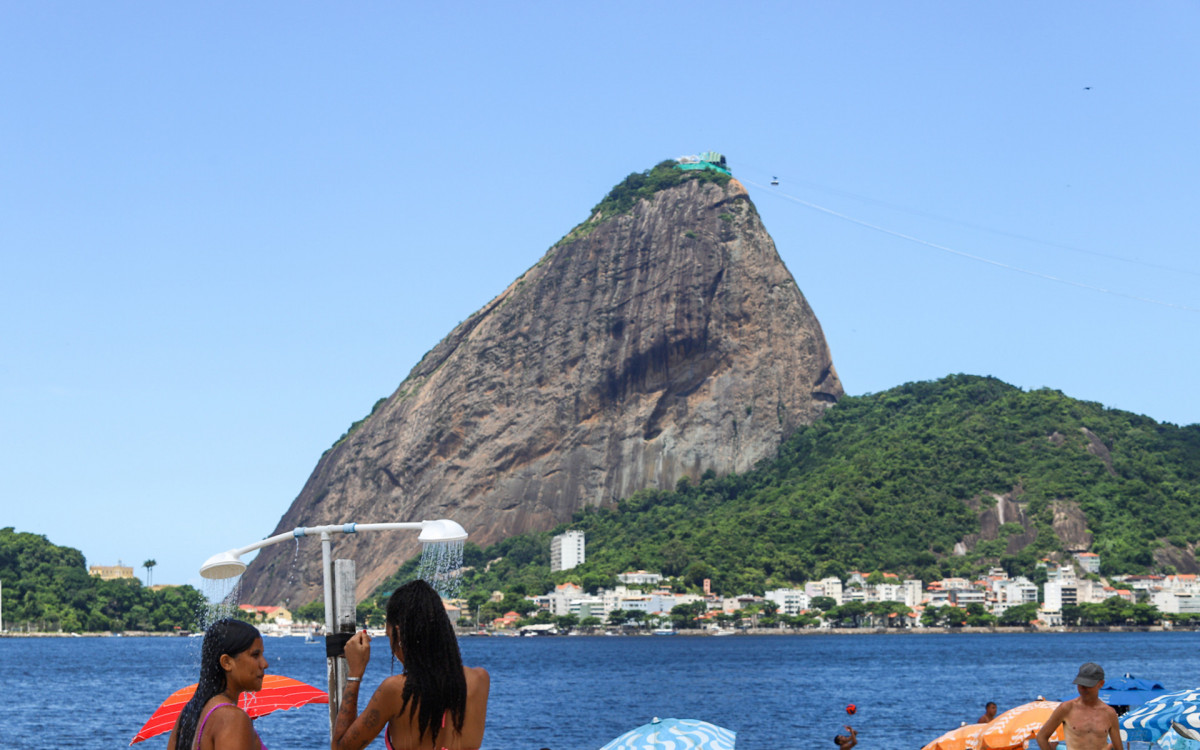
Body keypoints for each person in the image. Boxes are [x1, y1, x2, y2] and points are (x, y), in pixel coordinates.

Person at [333, 579, 490, 750]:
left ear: (399, 634)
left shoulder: (395, 689)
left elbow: (340, 748)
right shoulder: (480, 680)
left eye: (389, 636)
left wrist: (355, 674)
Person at [167, 618, 269, 750]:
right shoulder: (232, 718)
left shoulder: (189, 713)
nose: (264, 664)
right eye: (255, 655)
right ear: (226, 662)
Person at [1036, 662, 1123, 750]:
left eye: (1088, 685)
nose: (1083, 689)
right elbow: (1041, 737)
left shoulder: (1109, 713)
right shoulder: (1067, 708)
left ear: (1101, 684)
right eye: (1081, 685)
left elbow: (1119, 748)